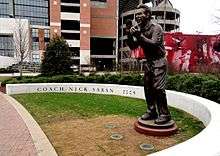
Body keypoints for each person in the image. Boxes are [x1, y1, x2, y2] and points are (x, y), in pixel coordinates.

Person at [126, 4, 171, 125]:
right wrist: (129, 35)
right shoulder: (139, 28)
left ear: (148, 14)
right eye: (137, 15)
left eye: (140, 14)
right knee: (147, 87)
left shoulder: (156, 28)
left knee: (158, 88)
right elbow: (133, 46)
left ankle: (165, 114)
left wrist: (139, 36)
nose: (138, 17)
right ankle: (151, 111)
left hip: (159, 61)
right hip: (149, 61)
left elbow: (154, 44)